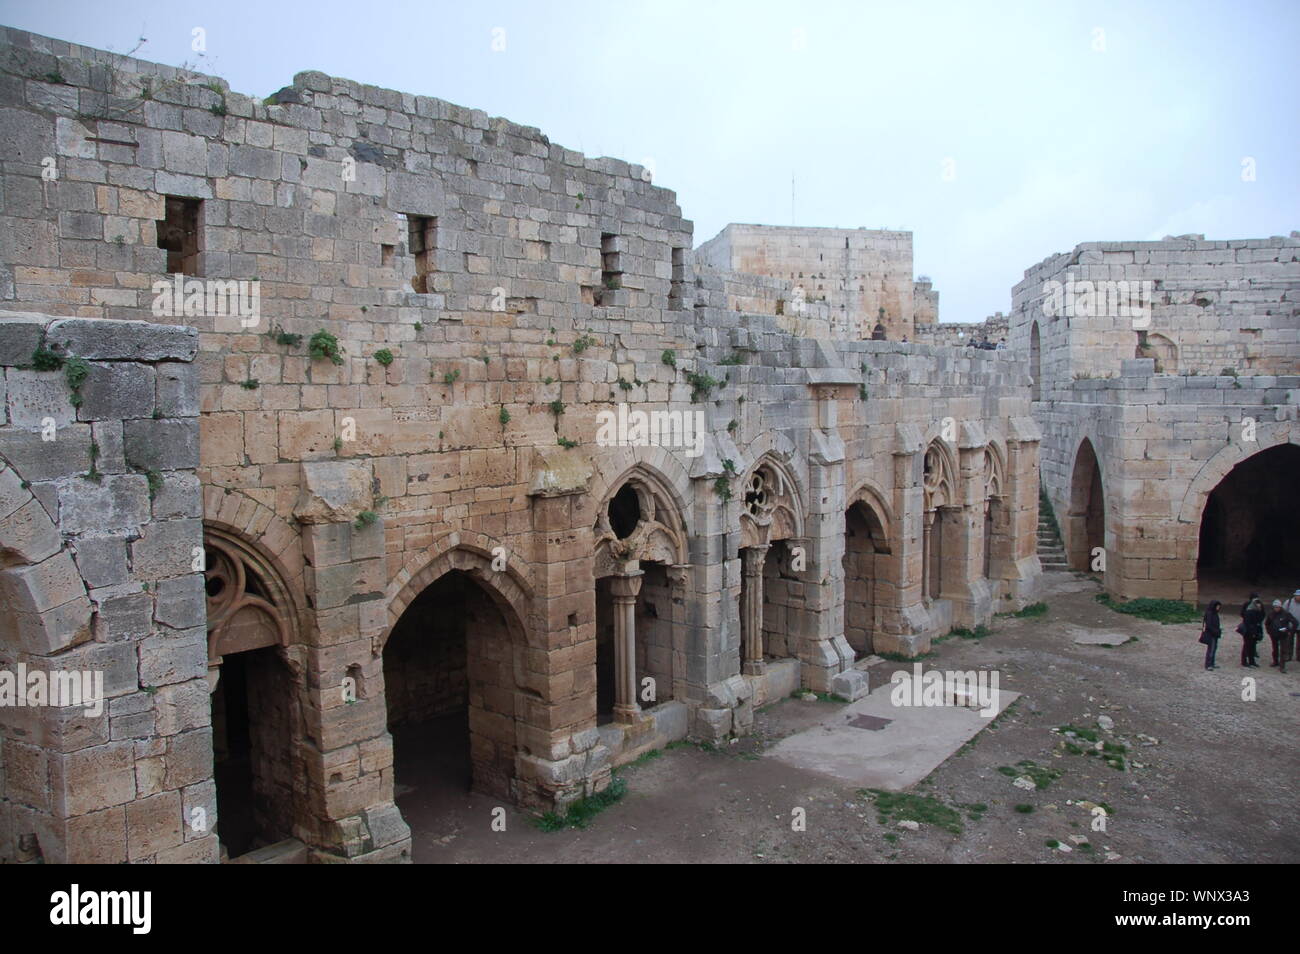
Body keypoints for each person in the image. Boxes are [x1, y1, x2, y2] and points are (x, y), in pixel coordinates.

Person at [1264, 600, 1297, 673]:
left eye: (1278, 607)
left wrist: (1289, 631)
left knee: (1283, 650)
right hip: (1274, 634)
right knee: (1275, 648)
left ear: (1280, 607)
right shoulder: (1271, 614)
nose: (1276, 608)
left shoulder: (1286, 614)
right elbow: (1267, 623)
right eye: (1275, 607)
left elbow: (1294, 622)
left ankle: (1282, 666)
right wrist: (1269, 631)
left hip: (1283, 634)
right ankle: (1275, 661)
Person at [1239, 594, 1265, 667]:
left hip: (1255, 631)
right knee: (1247, 646)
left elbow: (1260, 620)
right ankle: (1244, 661)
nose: (1259, 605)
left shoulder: (1257, 611)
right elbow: (1248, 623)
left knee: (1252, 647)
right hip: (1248, 632)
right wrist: (1252, 632)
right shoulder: (1249, 612)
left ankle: (1252, 661)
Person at [1199, 599, 1222, 670]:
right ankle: (1208, 664)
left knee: (1214, 648)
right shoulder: (1210, 613)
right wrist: (1215, 631)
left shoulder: (1215, 613)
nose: (1218, 608)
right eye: (1217, 606)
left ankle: (1212, 663)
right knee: (1211, 649)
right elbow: (1209, 625)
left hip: (1215, 634)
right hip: (1211, 634)